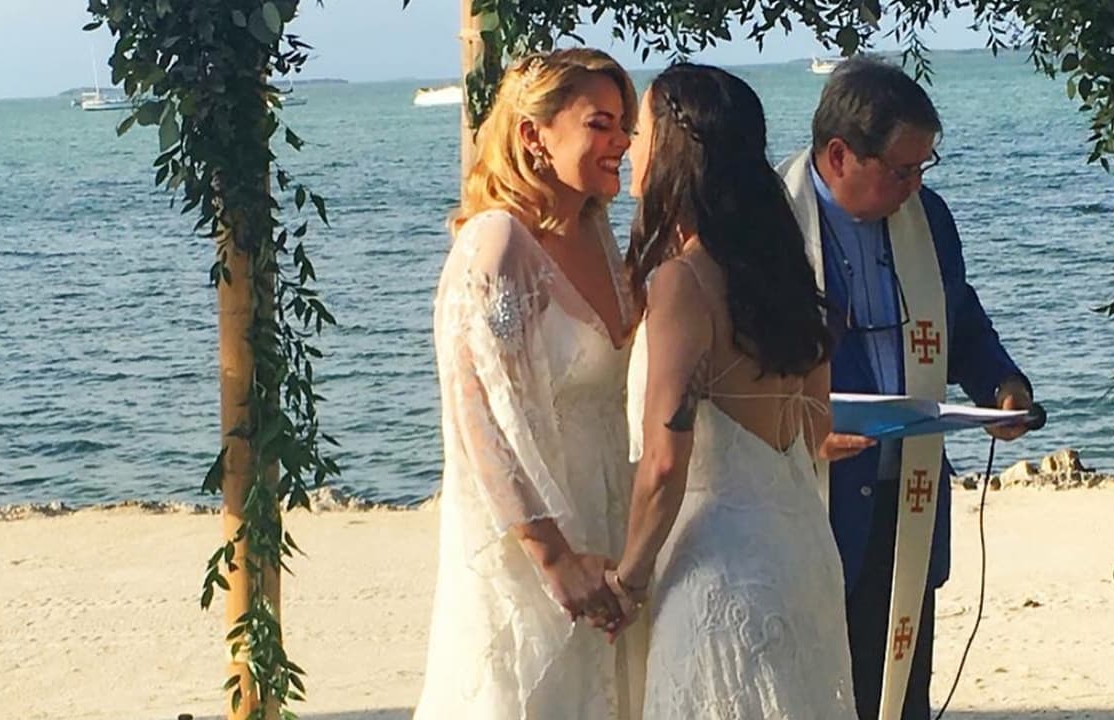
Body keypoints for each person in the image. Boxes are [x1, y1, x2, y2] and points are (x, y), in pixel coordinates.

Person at [776, 55, 1033, 720]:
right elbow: (735, 362)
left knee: (900, 694)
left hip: (906, 493)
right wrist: (798, 428)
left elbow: (959, 319)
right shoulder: (770, 223)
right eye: (900, 170)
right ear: (839, 155)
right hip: (809, 496)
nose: (915, 184)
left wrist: (1001, 385)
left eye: (924, 167)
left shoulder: (929, 217)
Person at [607, 62, 859, 719]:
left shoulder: (683, 282)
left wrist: (629, 578)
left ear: (671, 149)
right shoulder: (787, 276)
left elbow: (665, 461)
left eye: (639, 131)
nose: (630, 146)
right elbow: (815, 427)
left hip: (720, 569)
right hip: (802, 550)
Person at [415, 48, 644, 719]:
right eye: (600, 124)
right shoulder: (497, 243)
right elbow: (480, 419)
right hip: (543, 550)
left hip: (614, 523)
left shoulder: (600, 234)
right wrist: (555, 560)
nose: (622, 142)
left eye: (626, 126)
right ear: (533, 135)